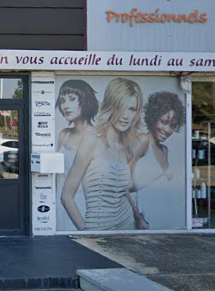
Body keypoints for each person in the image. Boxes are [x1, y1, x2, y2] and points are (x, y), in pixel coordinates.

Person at [61, 78, 144, 231]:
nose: (126, 116)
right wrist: (87, 232)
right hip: (98, 230)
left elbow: (126, 188)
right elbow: (66, 196)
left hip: (128, 227)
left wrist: (138, 218)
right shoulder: (92, 139)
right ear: (110, 106)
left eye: (132, 109)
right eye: (121, 107)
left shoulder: (126, 143)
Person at [130, 91, 186, 230]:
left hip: (164, 219)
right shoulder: (142, 141)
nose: (167, 130)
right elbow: (123, 185)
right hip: (145, 221)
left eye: (172, 125)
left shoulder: (165, 150)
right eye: (164, 122)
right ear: (153, 117)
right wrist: (139, 218)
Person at [55, 79, 100, 231]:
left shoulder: (97, 136)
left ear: (86, 101)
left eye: (72, 99)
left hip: (80, 208)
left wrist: (87, 231)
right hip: (59, 207)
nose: (66, 105)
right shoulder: (64, 135)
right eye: (62, 101)